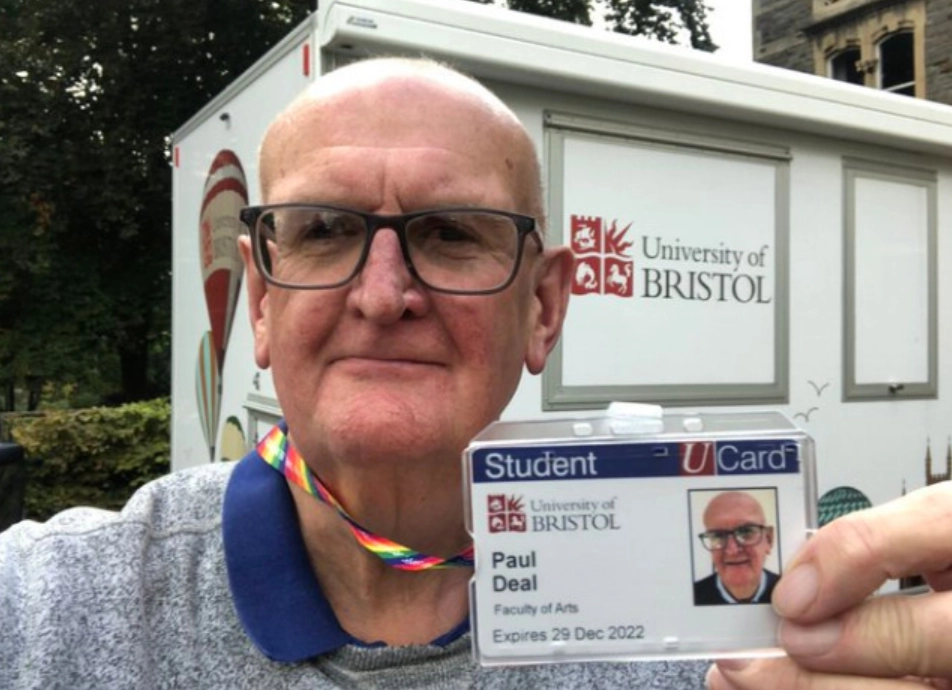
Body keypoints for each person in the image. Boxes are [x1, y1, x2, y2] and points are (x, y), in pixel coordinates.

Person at [1, 56, 951, 690]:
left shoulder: (726, 645)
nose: (382, 295)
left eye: (451, 234)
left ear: (543, 308)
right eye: (324, 230)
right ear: (259, 300)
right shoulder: (47, 610)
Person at [694, 491, 779, 606]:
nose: (732, 551)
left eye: (746, 532)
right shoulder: (689, 596)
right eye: (718, 536)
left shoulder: (789, 590)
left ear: (769, 539)